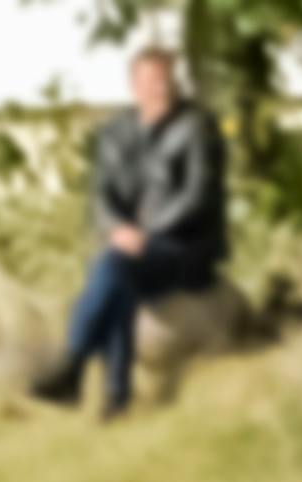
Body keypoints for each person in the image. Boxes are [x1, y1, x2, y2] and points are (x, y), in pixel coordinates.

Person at [32, 48, 225, 419]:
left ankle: (74, 370)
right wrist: (119, 229)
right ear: (134, 86)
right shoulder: (116, 132)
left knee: (115, 266)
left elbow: (196, 197)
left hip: (185, 248)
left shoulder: (198, 128)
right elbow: (101, 195)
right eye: (151, 81)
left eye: (166, 79)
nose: (161, 88)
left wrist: (146, 233)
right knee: (117, 272)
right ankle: (115, 398)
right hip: (132, 248)